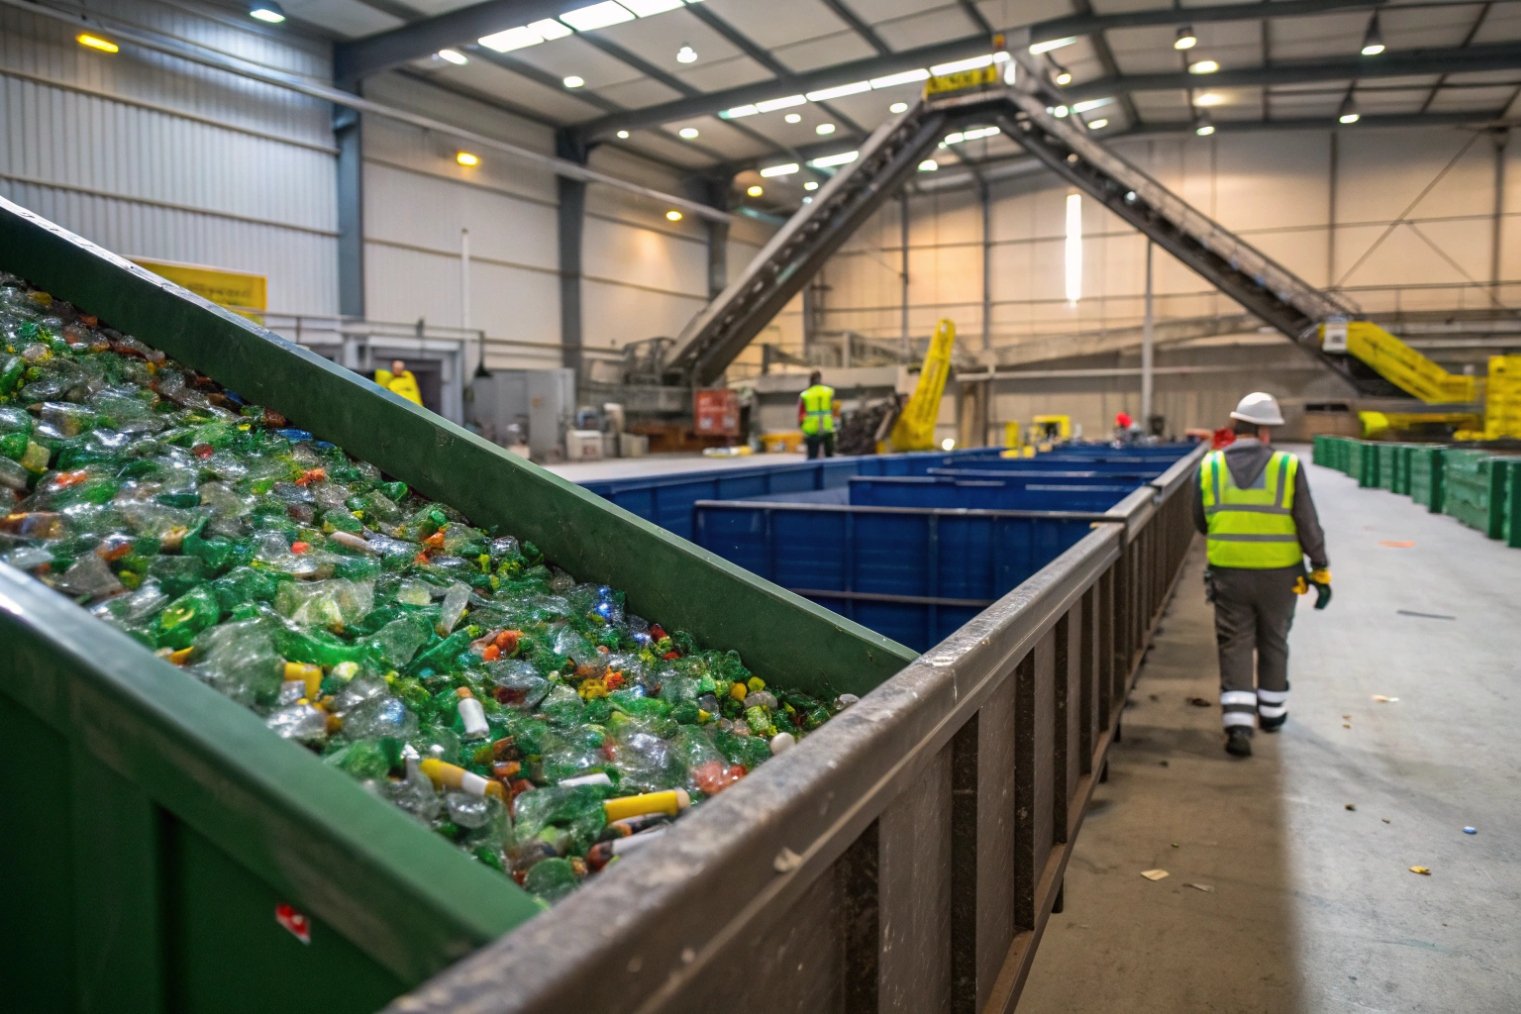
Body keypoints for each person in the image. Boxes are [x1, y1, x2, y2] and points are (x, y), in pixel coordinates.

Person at [1192, 392, 1331, 758]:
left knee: (1235, 643)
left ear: (1235, 427)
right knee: (1274, 638)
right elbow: (1308, 523)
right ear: (1266, 431)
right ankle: (1272, 714)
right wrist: (1320, 569)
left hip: (1229, 573)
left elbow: (1200, 520)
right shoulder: (1288, 466)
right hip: (1280, 575)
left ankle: (1238, 726)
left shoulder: (1210, 466)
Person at [798, 370, 838, 459]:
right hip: (828, 428)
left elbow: (801, 414)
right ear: (820, 379)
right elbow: (834, 409)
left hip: (812, 429)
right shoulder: (829, 392)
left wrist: (801, 425)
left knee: (812, 457)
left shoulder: (805, 394)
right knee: (829, 457)